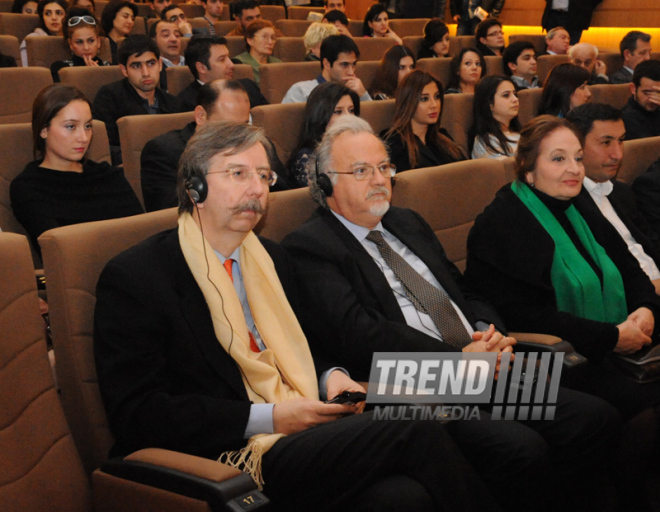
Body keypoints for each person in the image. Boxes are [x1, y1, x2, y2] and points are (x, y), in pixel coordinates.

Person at [94, 119, 502, 512]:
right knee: (413, 423)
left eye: (264, 177)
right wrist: (267, 417)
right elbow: (138, 414)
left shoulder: (271, 259)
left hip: (301, 425)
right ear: (194, 187)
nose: (256, 190)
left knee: (403, 497)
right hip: (227, 452)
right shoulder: (137, 277)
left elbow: (307, 347)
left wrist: (330, 376)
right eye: (238, 174)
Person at [280, 114, 620, 512]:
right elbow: (359, 334)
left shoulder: (406, 221)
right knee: (520, 450)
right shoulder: (310, 247)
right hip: (418, 382)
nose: (378, 179)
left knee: (595, 418)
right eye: (361, 171)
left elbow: (465, 290)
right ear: (326, 183)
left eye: (384, 168)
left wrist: (485, 331)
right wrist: (457, 362)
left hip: (482, 365)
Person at [464, 114, 660, 509]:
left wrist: (646, 308)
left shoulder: (578, 202)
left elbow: (627, 264)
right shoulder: (502, 222)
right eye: (557, 159)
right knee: (645, 411)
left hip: (614, 340)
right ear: (529, 170)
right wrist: (611, 337)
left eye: (576, 158)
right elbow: (526, 315)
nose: (573, 169)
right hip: (556, 359)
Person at [10, 84, 142, 256]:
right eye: (71, 127)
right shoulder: (28, 187)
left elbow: (141, 232)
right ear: (43, 130)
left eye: (88, 126)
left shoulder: (108, 175)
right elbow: (58, 253)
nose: (83, 137)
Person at [141, 79, 286, 212]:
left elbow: (284, 195)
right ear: (201, 116)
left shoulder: (257, 145)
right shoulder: (163, 152)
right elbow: (170, 213)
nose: (238, 135)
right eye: (227, 126)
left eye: (244, 125)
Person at [565, 103, 660, 294]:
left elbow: (651, 244)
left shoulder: (621, 191)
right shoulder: (568, 203)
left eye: (621, 140)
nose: (618, 154)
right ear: (576, 146)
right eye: (606, 142)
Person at [92, 35, 181, 165]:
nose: (146, 73)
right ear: (124, 70)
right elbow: (102, 148)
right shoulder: (109, 97)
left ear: (160, 64)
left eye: (151, 63)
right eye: (136, 66)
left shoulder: (174, 103)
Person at [383, 70, 465, 173]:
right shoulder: (394, 143)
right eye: (424, 99)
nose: (434, 105)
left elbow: (467, 173)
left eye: (437, 97)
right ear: (408, 102)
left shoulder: (443, 138)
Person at [286, 82, 359, 187]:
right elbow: (324, 196)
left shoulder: (359, 146)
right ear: (320, 117)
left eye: (351, 110)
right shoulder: (306, 158)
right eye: (338, 112)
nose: (349, 117)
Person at [178, 35, 267, 110]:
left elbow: (269, 119)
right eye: (222, 60)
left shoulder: (248, 87)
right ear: (201, 68)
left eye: (228, 57)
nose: (231, 65)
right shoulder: (187, 102)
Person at [282, 35, 371, 104]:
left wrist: (363, 96)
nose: (351, 72)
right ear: (326, 64)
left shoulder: (355, 91)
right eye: (344, 65)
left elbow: (374, 124)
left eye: (353, 64)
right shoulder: (301, 91)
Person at [50, 8, 109, 82]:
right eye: (79, 42)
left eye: (91, 41)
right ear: (71, 44)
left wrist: (100, 75)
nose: (86, 47)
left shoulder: (109, 68)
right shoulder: (60, 69)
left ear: (98, 42)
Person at [470, 75, 521, 159]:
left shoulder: (523, 134)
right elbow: (504, 169)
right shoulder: (484, 141)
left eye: (515, 94)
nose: (515, 99)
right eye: (506, 95)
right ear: (489, 104)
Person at [233, 20, 281, 86]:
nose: (270, 42)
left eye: (272, 38)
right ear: (250, 40)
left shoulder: (278, 63)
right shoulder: (239, 63)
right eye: (264, 37)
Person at [621, 60, 660, 141]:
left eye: (659, 93)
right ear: (633, 89)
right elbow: (651, 149)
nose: (653, 99)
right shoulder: (626, 119)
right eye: (647, 93)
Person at [20, 0, 67, 67]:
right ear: (42, 17)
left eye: (59, 13)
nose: (54, 18)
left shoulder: (74, 39)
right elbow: (24, 70)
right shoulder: (32, 39)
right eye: (48, 13)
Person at [100, 0, 137, 64]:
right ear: (112, 16)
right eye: (125, 16)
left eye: (132, 18)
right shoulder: (101, 43)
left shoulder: (134, 44)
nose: (130, 22)